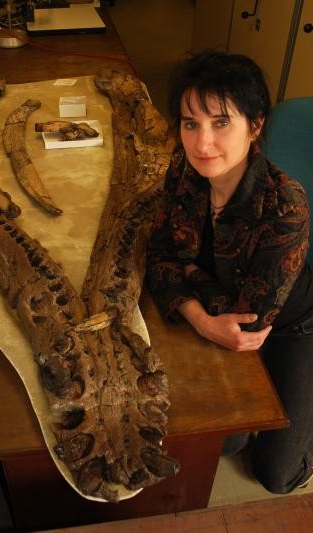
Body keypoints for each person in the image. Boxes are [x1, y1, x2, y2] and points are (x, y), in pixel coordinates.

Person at [146, 50, 313, 494]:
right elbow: (158, 255)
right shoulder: (183, 170)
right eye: (190, 123)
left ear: (255, 125)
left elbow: (248, 321)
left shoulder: (286, 204)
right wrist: (201, 317)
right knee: (227, 440)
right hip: (221, 315)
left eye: (221, 122)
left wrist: (184, 281)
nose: (202, 144)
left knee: (276, 475)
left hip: (295, 323)